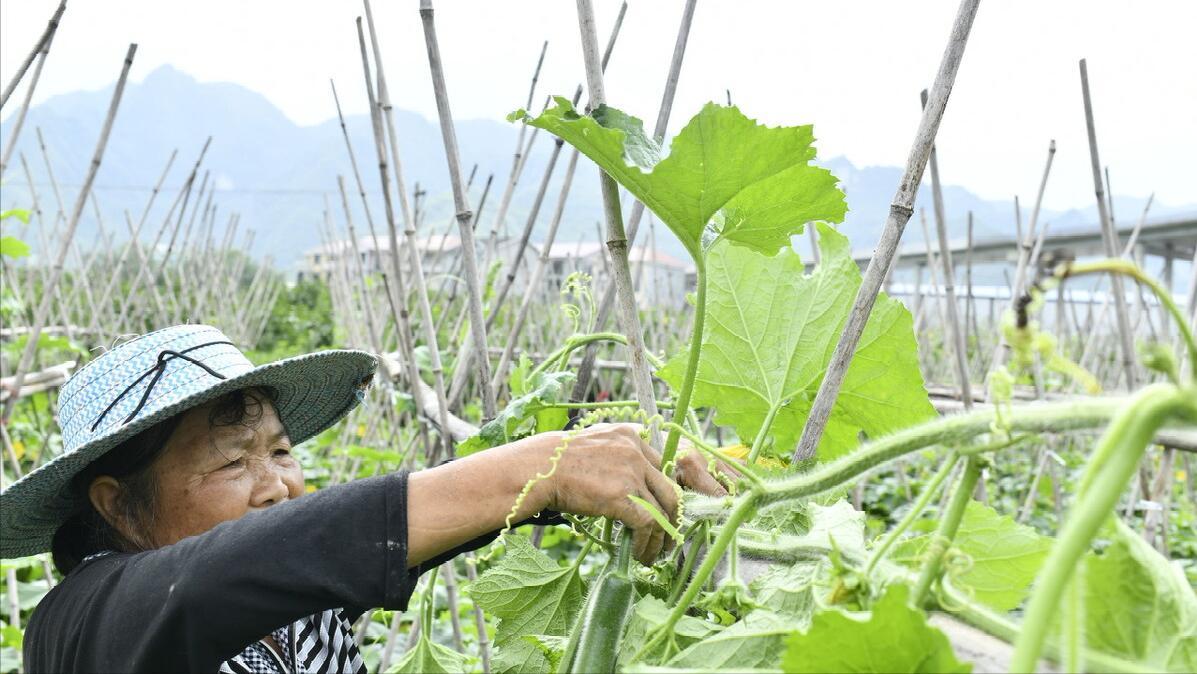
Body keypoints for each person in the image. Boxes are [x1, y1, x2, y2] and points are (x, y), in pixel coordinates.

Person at [0, 325, 728, 672]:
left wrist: (571, 480)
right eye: (231, 462)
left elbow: (342, 550)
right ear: (118, 504)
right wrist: (537, 468)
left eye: (281, 452)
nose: (278, 485)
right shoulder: (82, 627)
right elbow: (213, 582)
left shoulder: (291, 604)